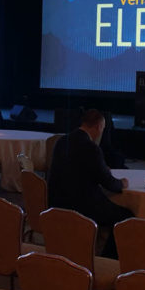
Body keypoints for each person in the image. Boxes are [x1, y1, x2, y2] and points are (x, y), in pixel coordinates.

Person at [48, 108, 133, 258]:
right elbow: (109, 183)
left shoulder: (62, 141)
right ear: (99, 127)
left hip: (56, 202)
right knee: (126, 217)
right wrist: (122, 183)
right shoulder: (91, 148)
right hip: (82, 206)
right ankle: (108, 258)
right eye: (102, 129)